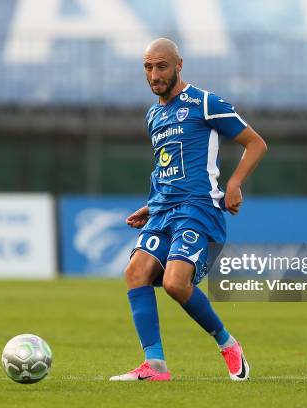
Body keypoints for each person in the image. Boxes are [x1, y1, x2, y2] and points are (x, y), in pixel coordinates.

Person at [109, 38, 267, 382]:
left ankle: (227, 343)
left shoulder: (205, 103)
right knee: (135, 272)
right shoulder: (153, 114)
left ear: (179, 65)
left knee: (175, 284)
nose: (154, 74)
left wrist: (235, 183)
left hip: (198, 210)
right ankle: (154, 366)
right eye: (148, 67)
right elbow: (168, 168)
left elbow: (256, 143)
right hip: (163, 211)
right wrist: (150, 207)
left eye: (161, 66)